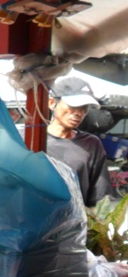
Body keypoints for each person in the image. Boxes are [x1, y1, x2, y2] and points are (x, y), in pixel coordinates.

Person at [46, 75, 110, 207]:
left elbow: (100, 195)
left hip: (75, 225)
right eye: (73, 105)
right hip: (32, 223)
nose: (79, 113)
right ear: (52, 103)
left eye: (84, 107)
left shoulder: (91, 144)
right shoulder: (29, 138)